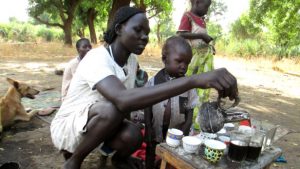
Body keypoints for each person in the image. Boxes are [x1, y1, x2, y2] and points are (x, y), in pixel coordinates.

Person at [50, 6, 238, 169]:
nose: (145, 37)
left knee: (133, 133)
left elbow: (128, 105)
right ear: (119, 29)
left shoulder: (131, 61)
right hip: (70, 127)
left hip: (97, 124)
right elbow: (123, 100)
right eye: (138, 30)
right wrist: (194, 80)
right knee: (115, 108)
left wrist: (128, 142)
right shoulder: (97, 57)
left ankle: (120, 159)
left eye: (147, 32)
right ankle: (74, 160)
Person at [144, 36, 198, 169]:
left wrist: (185, 130)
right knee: (151, 150)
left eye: (187, 63)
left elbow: (190, 111)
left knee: (174, 156)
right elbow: (147, 106)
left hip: (178, 132)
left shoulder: (188, 86)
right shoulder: (153, 82)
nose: (183, 66)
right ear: (164, 59)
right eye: (179, 61)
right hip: (155, 129)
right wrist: (148, 128)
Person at [177, 0, 214, 131]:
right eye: (206, 6)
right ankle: (184, 118)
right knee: (188, 86)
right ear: (197, 2)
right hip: (193, 59)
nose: (207, 10)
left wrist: (210, 46)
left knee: (204, 87)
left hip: (204, 59)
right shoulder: (187, 16)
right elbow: (180, 34)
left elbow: (201, 41)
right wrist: (202, 36)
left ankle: (196, 121)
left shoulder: (202, 20)